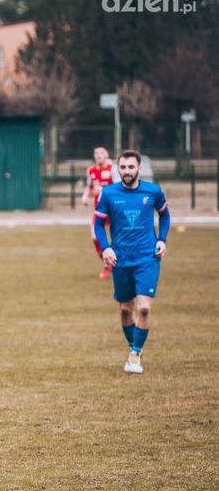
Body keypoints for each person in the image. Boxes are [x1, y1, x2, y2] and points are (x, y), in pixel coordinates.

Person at [94, 150, 170, 374]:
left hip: (148, 256)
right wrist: (106, 247)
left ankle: (135, 353)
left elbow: (164, 215)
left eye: (131, 167)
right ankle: (133, 347)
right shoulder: (108, 194)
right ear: (118, 169)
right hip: (121, 258)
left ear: (139, 169)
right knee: (126, 310)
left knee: (144, 308)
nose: (127, 171)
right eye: (123, 167)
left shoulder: (153, 191)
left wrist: (162, 240)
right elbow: (98, 224)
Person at [82, 146, 121, 280]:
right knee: (95, 236)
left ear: (107, 155)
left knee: (119, 237)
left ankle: (122, 264)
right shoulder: (91, 170)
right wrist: (85, 196)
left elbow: (119, 188)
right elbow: (90, 186)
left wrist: (103, 190)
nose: (98, 155)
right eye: (96, 153)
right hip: (100, 210)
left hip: (114, 210)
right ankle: (108, 265)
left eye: (101, 153)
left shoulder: (113, 169)